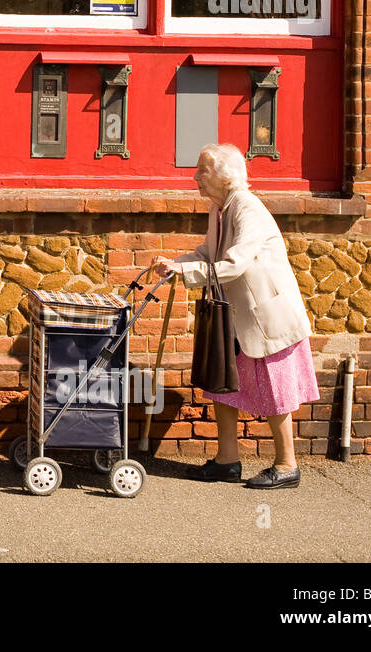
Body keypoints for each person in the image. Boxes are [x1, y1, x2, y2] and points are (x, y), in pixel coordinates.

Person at [153, 143, 319, 489]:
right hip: (236, 314)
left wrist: (188, 273)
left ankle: (287, 465)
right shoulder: (220, 208)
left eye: (203, 171)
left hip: (265, 316)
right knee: (222, 384)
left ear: (225, 176)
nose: (195, 177)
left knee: (276, 390)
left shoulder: (248, 209)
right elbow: (209, 253)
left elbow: (234, 264)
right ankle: (227, 461)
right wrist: (176, 264)